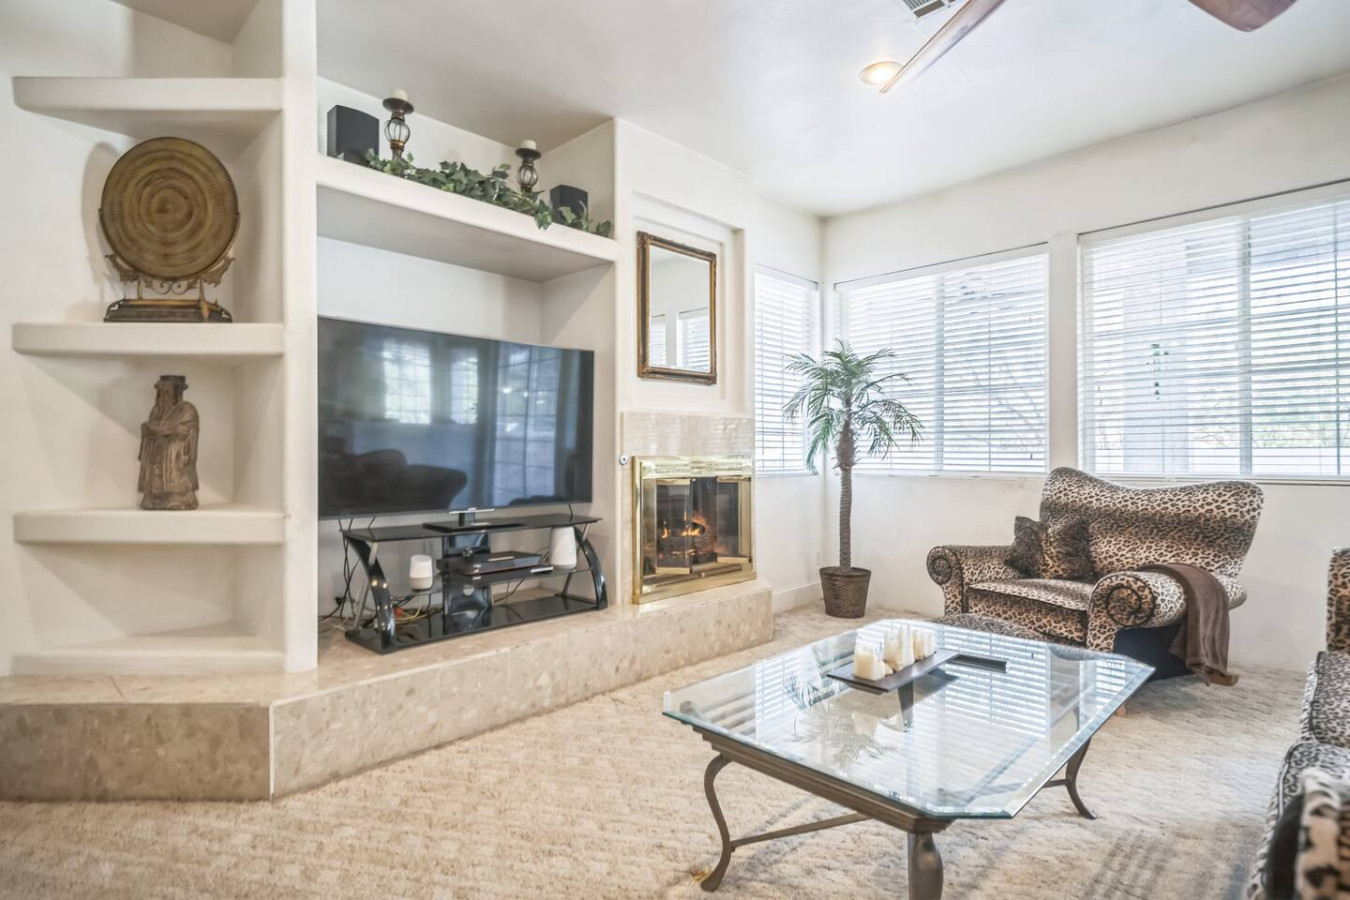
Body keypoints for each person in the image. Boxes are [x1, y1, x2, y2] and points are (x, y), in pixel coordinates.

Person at [138, 375, 199, 510]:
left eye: (166, 392)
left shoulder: (187, 410)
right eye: (160, 393)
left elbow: (184, 431)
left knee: (174, 464)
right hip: (157, 452)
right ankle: (154, 498)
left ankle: (177, 497)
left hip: (175, 455)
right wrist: (167, 429)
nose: (161, 397)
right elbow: (147, 427)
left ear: (177, 393)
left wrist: (157, 430)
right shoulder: (156, 410)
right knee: (155, 471)